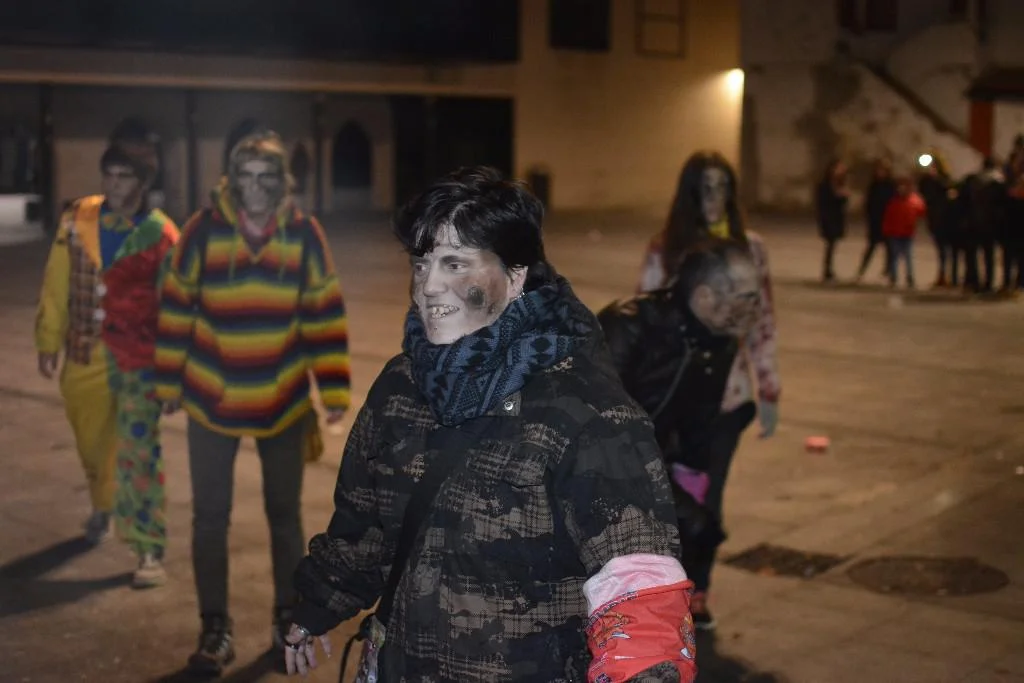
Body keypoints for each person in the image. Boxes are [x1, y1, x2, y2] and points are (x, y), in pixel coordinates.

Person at [285, 166, 698, 683]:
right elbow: (365, 525)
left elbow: (637, 582)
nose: (429, 286)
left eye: (455, 263)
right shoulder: (401, 386)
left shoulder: (584, 410)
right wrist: (317, 604)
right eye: (421, 263)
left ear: (516, 275)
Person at [154, 130, 351, 675]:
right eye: (246, 176)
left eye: (267, 177)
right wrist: (168, 381)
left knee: (284, 517)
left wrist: (333, 388)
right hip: (211, 396)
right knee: (209, 518)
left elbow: (323, 310)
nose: (257, 186)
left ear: (282, 181)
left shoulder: (304, 234)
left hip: (282, 400)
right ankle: (214, 629)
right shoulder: (202, 231)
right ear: (233, 180)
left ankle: (286, 621)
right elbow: (177, 305)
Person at [636, 151, 780, 629]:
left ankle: (697, 590)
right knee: (667, 496)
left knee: (708, 496)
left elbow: (763, 320)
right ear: (689, 194)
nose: (714, 198)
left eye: (722, 188)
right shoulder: (666, 248)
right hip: (672, 397)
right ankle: (665, 585)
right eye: (704, 189)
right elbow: (645, 315)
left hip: (727, 397)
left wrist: (769, 387)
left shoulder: (750, 248)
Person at [34, 128, 179, 587]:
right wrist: (48, 339)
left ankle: (148, 545)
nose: (115, 184)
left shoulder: (161, 234)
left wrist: (173, 373)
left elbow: (176, 308)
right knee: (92, 443)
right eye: (109, 175)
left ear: (143, 181)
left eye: (125, 176)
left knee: (140, 452)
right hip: (85, 352)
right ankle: (104, 502)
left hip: (139, 361)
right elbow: (56, 282)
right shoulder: (78, 219)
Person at [598, 239, 760, 632]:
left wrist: (696, 507)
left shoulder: (716, 341)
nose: (753, 311)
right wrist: (682, 509)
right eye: (745, 299)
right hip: (593, 480)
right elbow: (602, 440)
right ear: (704, 297)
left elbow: (694, 436)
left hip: (646, 476)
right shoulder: (628, 327)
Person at [917, 152, 957, 288]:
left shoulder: (944, 180)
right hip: (934, 218)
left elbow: (949, 192)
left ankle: (949, 277)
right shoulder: (927, 181)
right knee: (941, 250)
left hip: (946, 219)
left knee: (948, 250)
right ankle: (942, 276)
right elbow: (923, 192)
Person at [882, 176, 927, 289]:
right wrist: (886, 230)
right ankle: (894, 277)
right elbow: (888, 217)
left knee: (908, 257)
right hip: (895, 233)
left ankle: (909, 277)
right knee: (895, 257)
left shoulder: (914, 200)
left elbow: (921, 212)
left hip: (907, 233)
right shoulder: (894, 202)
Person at [856, 158, 895, 282]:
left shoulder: (890, 186)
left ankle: (888, 272)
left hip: (887, 221)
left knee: (889, 248)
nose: (880, 173)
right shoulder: (873, 186)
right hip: (875, 222)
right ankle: (861, 271)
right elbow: (868, 203)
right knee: (871, 247)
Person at [815, 158, 850, 283]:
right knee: (830, 245)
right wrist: (838, 196)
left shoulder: (840, 183)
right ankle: (827, 270)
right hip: (828, 217)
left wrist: (843, 196)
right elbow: (823, 201)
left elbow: (843, 201)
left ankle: (828, 270)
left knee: (832, 245)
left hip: (837, 217)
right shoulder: (825, 184)